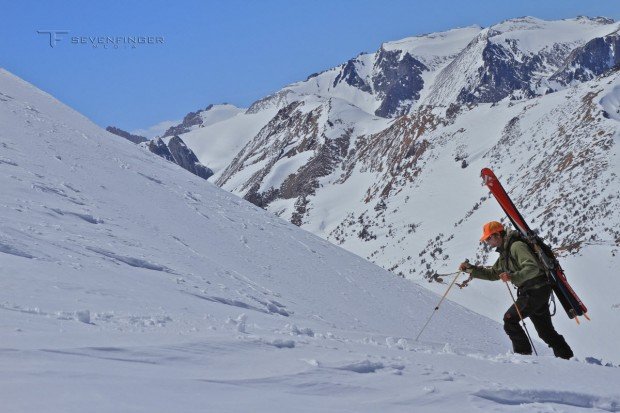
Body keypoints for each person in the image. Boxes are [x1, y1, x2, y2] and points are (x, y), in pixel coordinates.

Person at [459, 221, 573, 359]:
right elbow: (493, 274)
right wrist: (470, 269)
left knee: (510, 319)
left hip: (534, 291)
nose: (487, 242)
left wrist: (512, 276)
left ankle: (523, 357)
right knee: (545, 332)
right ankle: (567, 357)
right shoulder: (505, 252)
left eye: (489, 238)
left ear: (497, 235)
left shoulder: (516, 246)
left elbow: (532, 268)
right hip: (537, 291)